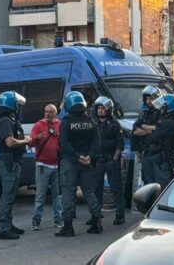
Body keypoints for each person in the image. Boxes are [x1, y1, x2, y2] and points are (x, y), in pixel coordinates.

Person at [56, 91, 103, 237]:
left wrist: (77, 157)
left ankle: (68, 227)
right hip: (87, 162)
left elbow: (64, 143)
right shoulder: (90, 121)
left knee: (68, 193)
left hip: (70, 162)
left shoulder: (66, 122)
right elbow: (97, 142)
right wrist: (89, 156)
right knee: (89, 191)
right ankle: (96, 223)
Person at [0, 91, 30, 240]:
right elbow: (9, 142)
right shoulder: (5, 121)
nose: (18, 107)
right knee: (7, 196)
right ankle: (4, 228)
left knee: (11, 195)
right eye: (17, 104)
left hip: (14, 161)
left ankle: (9, 225)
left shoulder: (10, 120)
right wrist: (26, 141)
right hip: (9, 162)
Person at [92, 96, 126, 226]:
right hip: (98, 160)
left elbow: (119, 144)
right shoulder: (94, 124)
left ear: (108, 110)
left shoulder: (115, 124)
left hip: (111, 159)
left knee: (116, 188)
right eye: (98, 108)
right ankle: (95, 214)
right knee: (96, 189)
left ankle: (120, 215)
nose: (100, 111)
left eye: (103, 108)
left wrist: (114, 159)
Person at [29, 104, 62, 231]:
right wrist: (36, 138)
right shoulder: (38, 125)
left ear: (55, 113)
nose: (48, 114)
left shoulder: (60, 124)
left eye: (51, 112)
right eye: (46, 111)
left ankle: (58, 220)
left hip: (56, 166)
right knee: (40, 195)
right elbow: (30, 141)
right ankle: (36, 221)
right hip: (43, 165)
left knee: (57, 195)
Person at [143, 94, 174, 188]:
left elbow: (152, 137)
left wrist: (147, 133)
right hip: (165, 158)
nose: (160, 110)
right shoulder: (171, 119)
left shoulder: (169, 122)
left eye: (162, 107)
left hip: (164, 159)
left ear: (168, 107)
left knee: (162, 188)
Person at [132, 86, 162, 185]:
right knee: (148, 183)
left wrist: (144, 127)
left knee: (159, 182)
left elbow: (158, 129)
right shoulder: (144, 113)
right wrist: (149, 129)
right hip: (145, 152)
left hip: (158, 153)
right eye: (147, 99)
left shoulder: (161, 112)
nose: (149, 101)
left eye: (151, 98)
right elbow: (135, 131)